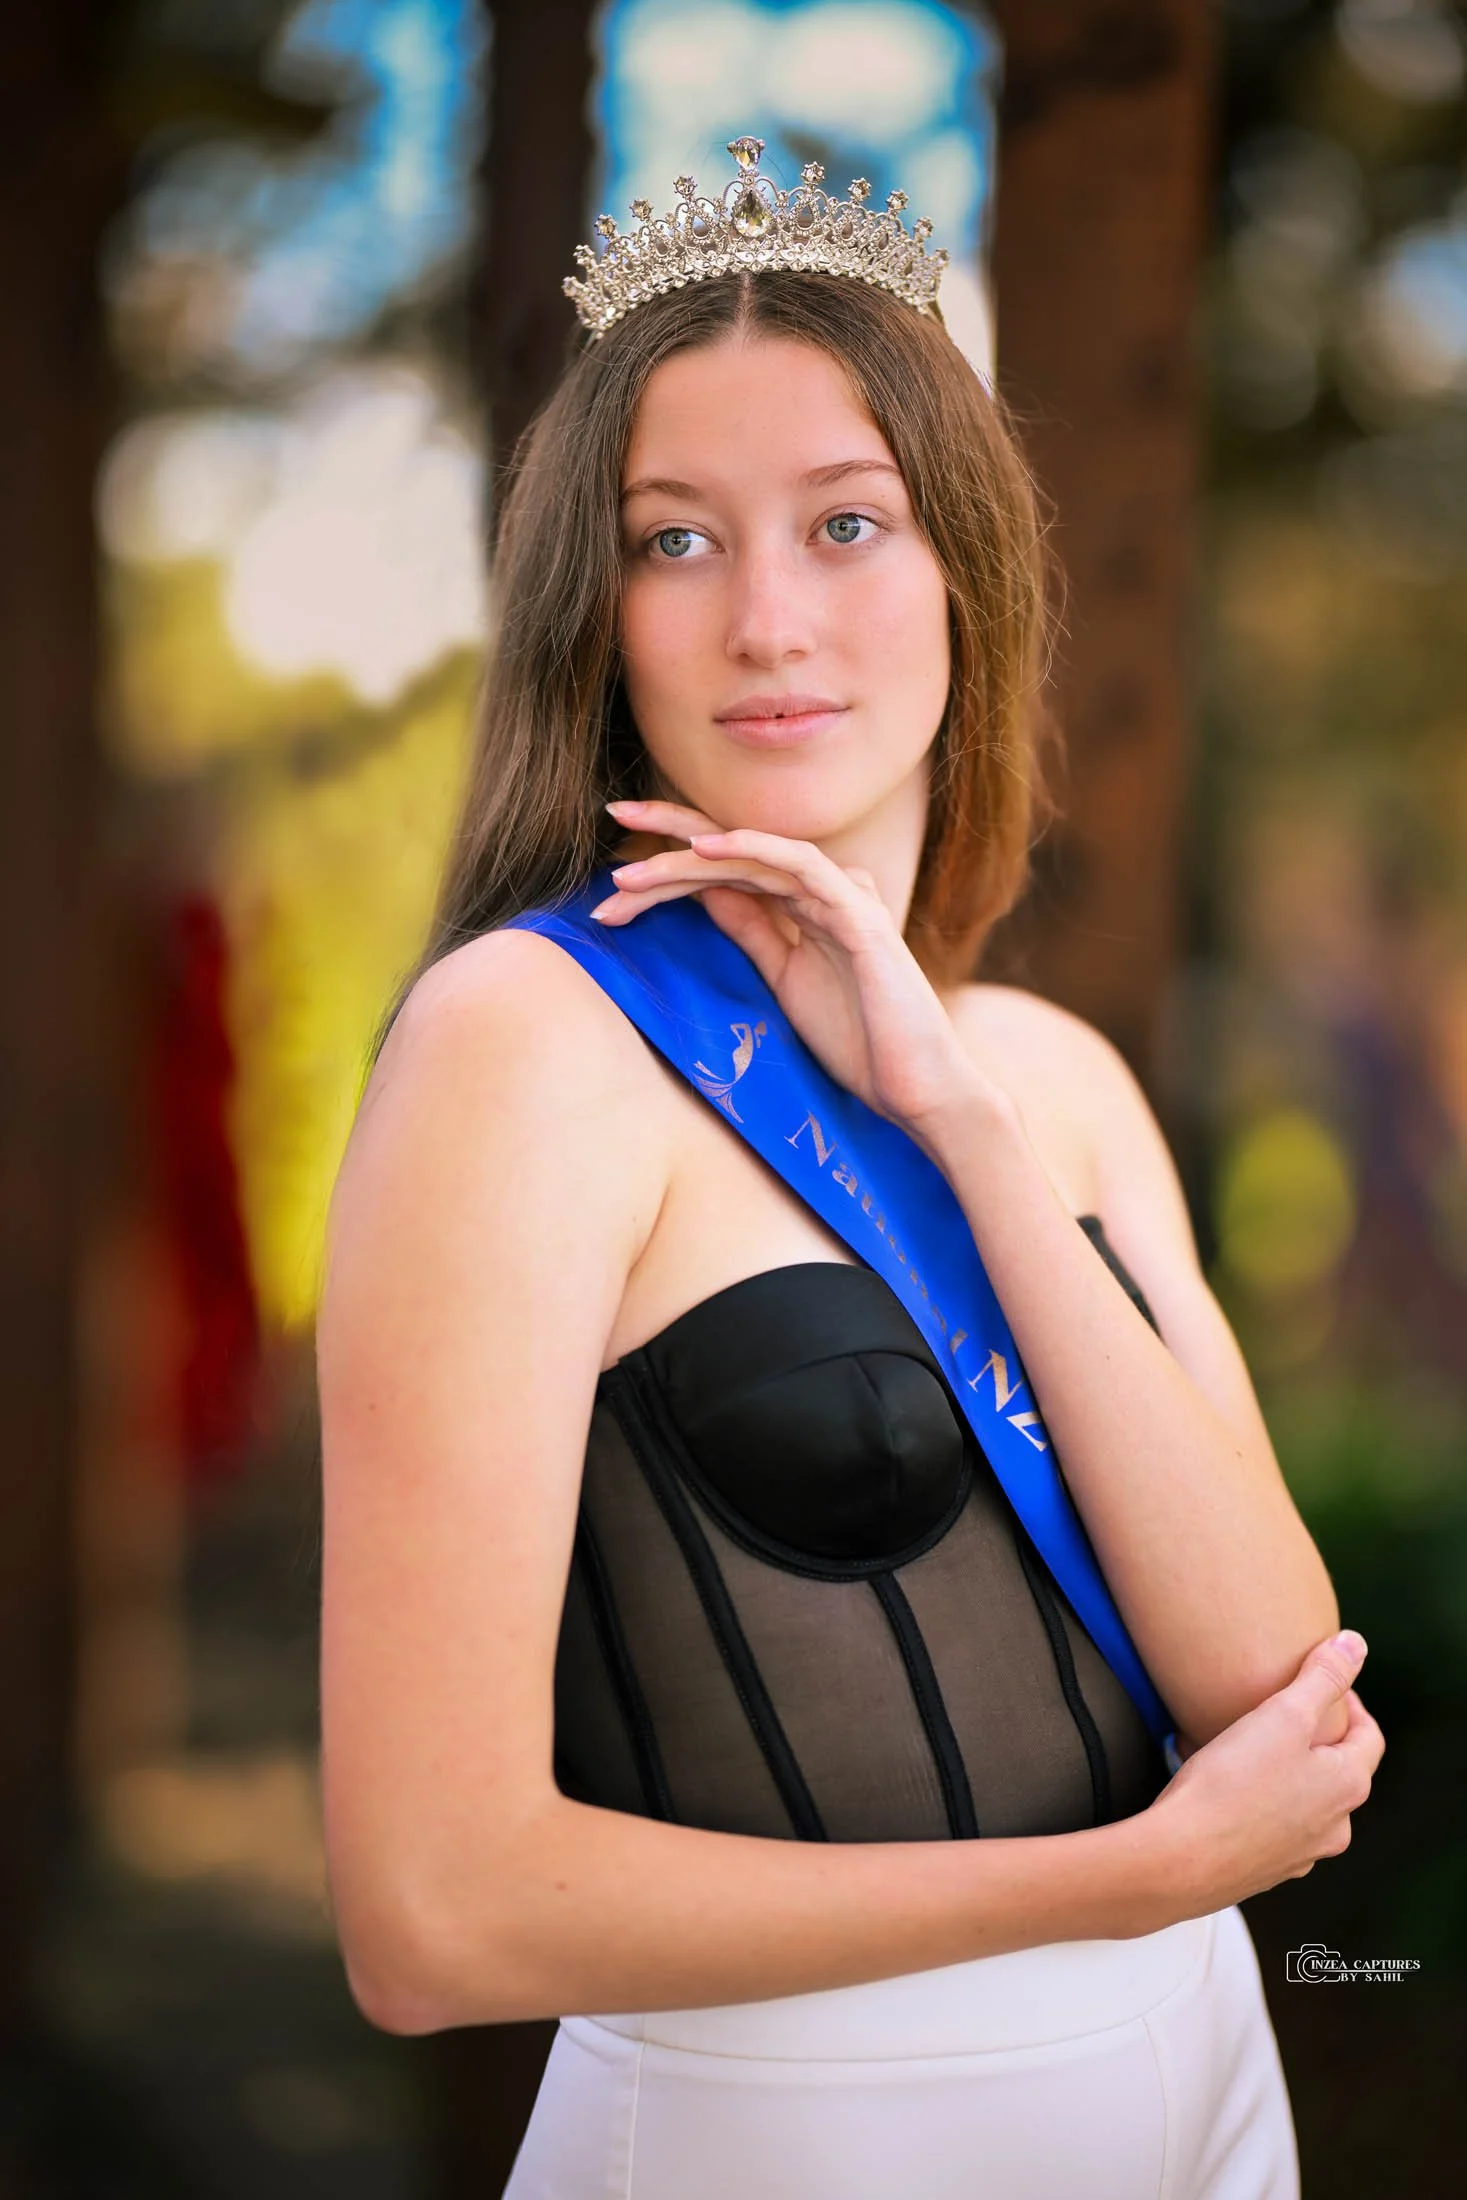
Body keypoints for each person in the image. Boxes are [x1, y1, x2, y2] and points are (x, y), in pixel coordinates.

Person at [315, 139, 1384, 2199]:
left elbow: (1278, 1694)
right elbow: (429, 1910)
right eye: (675, 540)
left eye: (846, 520)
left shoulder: (1044, 1077)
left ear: (967, 567)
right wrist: (1119, 1875)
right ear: (591, 613)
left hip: (1205, 2092)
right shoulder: (522, 1051)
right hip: (787, 2133)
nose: (771, 617)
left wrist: (958, 1119)